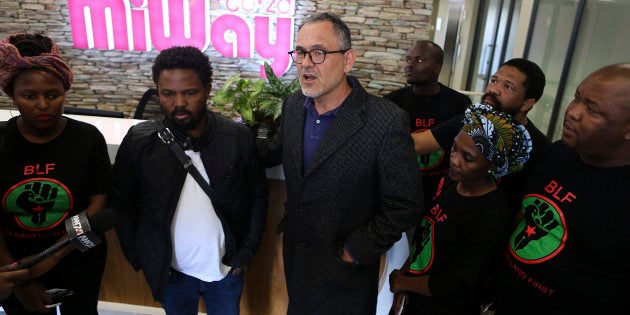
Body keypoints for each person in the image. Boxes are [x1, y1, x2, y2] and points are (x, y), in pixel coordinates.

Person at [258, 12, 424, 314]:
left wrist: (353, 251)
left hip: (345, 270)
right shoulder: (295, 105)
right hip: (297, 256)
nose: (306, 62)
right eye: (300, 52)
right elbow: (275, 149)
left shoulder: (386, 121)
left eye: (318, 53)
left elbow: (405, 205)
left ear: (348, 60)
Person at [109, 46, 267, 315]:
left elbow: (258, 198)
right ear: (158, 91)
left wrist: (243, 256)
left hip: (226, 270)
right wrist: (141, 257)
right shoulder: (140, 142)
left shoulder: (237, 138)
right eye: (168, 93)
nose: (178, 103)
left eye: (189, 92)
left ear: (207, 89)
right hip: (171, 274)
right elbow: (123, 206)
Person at [494, 63, 630, 314]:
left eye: (593, 109)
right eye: (577, 98)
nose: (573, 113)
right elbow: (527, 211)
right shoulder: (559, 152)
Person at [0, 33, 111, 314]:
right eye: (29, 96)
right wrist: (17, 275)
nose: (42, 104)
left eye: (52, 95)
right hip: (13, 262)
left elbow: (97, 206)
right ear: (11, 94)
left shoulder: (87, 138)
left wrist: (50, 258)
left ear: (65, 89)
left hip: (78, 257)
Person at [388, 104, 532, 314]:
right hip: (415, 294)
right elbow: (426, 238)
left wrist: (403, 283)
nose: (454, 160)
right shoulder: (450, 179)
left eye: (468, 158)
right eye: (454, 148)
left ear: (493, 164)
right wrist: (406, 275)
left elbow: (455, 284)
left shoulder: (492, 216)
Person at [412, 58, 551, 215]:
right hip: (443, 215)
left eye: (507, 86)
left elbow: (527, 209)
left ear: (527, 103)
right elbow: (418, 144)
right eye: (494, 81)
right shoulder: (473, 120)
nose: (493, 89)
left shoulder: (540, 149)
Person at [384, 40, 471, 200]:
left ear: (437, 68)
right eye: (408, 59)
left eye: (419, 60)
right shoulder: (392, 101)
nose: (409, 65)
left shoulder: (460, 103)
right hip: (399, 188)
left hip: (443, 189)